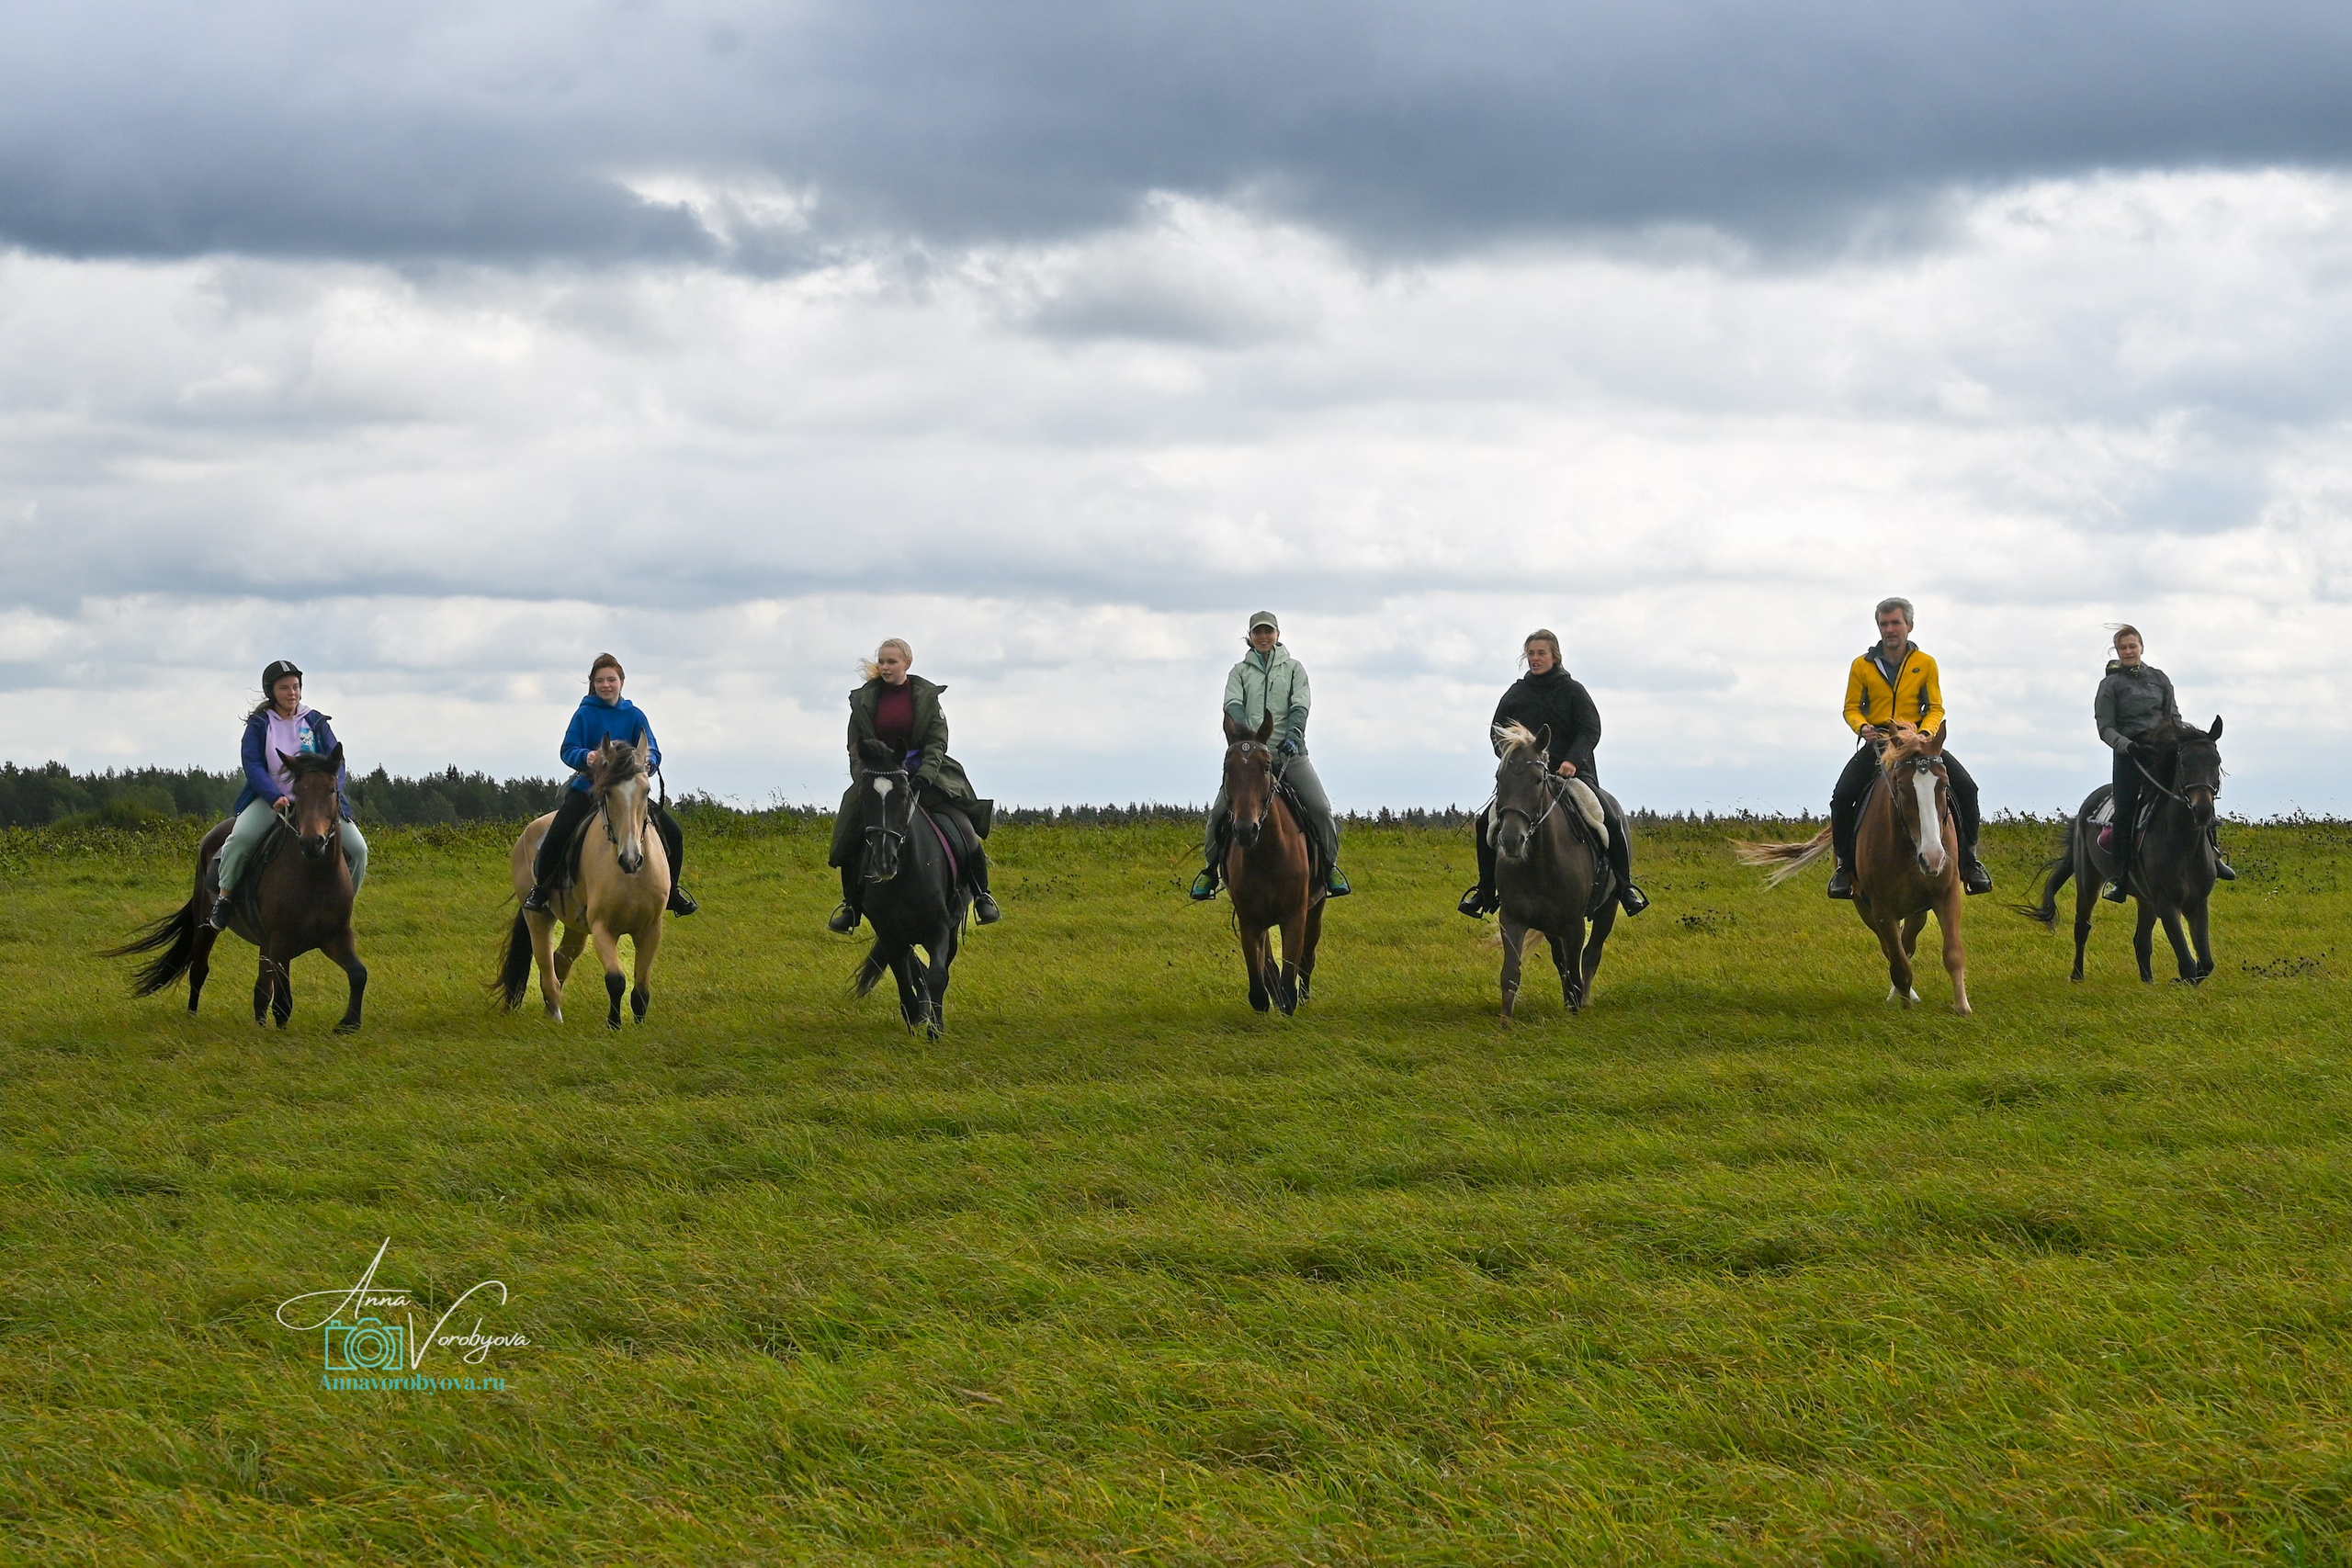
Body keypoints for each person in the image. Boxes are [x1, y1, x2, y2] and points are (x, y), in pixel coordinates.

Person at [1457, 629, 1650, 919]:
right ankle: (1485, 890)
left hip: (1572, 775)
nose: (1535, 659)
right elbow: (1497, 732)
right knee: (1486, 821)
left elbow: (1590, 729)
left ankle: (1625, 887)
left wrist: (1573, 760)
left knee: (1608, 816)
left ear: (1555, 656)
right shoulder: (1516, 693)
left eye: (1541, 653)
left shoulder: (1573, 691)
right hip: (1528, 780)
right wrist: (1514, 761)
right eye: (1531, 654)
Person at [827, 638, 1001, 932]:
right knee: (850, 827)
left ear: (907, 663)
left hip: (924, 773)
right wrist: (863, 779)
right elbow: (855, 748)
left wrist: (926, 774)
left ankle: (982, 893)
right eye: (881, 661)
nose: (885, 667)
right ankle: (852, 905)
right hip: (878, 777)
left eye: (891, 662)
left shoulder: (926, 697)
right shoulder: (862, 700)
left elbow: (937, 741)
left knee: (962, 824)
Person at [1826, 597, 1994, 898]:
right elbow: (1851, 707)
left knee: (1968, 789)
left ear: (1909, 626)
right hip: (1880, 741)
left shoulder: (1925, 664)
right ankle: (1844, 868)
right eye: (1884, 624)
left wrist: (1926, 733)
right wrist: (1861, 726)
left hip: (1920, 741)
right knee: (1842, 796)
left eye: (1896, 623)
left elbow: (1936, 707)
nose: (1890, 629)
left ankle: (1970, 863)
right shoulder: (1861, 666)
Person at [1191, 611, 1351, 901]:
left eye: (1268, 632)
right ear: (1250, 638)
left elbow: (1300, 704)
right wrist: (1245, 738)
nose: (1263, 637)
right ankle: (1210, 872)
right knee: (1217, 815)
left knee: (1321, 810)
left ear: (1277, 635)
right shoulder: (1238, 672)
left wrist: (1294, 735)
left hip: (1290, 754)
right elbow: (1232, 704)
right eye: (1257, 632)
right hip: (1251, 761)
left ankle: (1330, 868)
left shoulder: (1294, 669)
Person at [521, 654, 696, 916]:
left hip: (627, 792)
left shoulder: (635, 715)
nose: (606, 685)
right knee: (557, 835)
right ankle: (542, 891)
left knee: (674, 834)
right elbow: (567, 750)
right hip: (590, 789)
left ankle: (671, 892)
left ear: (621, 682)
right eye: (600, 680)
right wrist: (586, 756)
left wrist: (650, 763)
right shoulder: (584, 714)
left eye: (611, 680)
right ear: (593, 684)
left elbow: (652, 748)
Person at [209, 660, 368, 929]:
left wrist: (332, 792)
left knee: (359, 849)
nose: (292, 693)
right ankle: (224, 899)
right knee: (241, 838)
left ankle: (343, 905)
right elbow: (253, 763)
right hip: (273, 800)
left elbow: (336, 762)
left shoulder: (315, 721)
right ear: (272, 692)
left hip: (316, 802)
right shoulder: (260, 724)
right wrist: (272, 796)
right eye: (285, 688)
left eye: (296, 687)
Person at [2095, 624, 2234, 900]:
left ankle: (2214, 857)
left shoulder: (2159, 679)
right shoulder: (2110, 685)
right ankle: (2121, 879)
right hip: (2131, 756)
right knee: (2125, 812)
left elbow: (2173, 714)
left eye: (2133, 646)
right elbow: (2105, 728)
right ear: (2118, 651)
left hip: (2162, 750)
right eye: (2123, 647)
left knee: (2196, 794)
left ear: (2141, 647)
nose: (2128, 651)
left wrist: (2177, 738)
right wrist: (2128, 746)